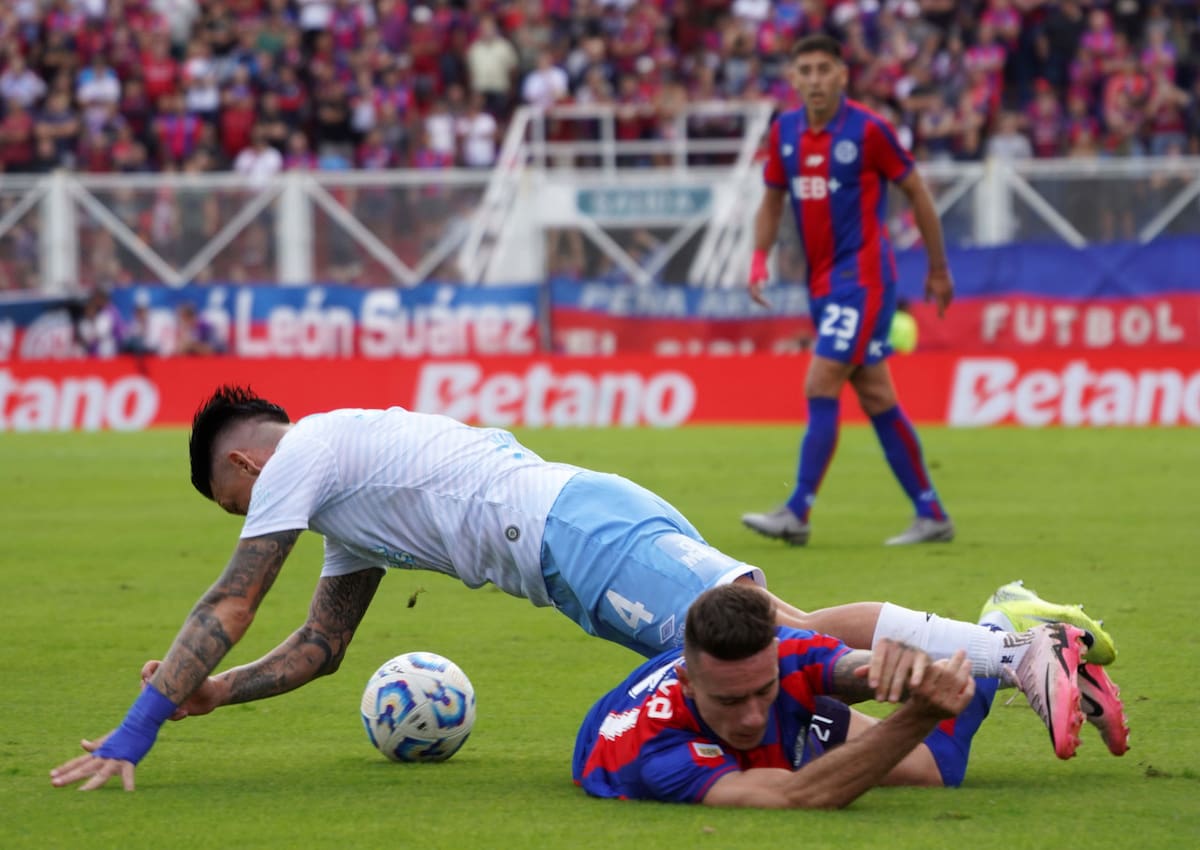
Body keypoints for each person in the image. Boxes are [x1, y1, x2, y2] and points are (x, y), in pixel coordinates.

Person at [50, 387, 1118, 791]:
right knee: (776, 632)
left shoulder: (300, 458)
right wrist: (212, 695)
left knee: (760, 644)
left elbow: (229, 600)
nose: (252, 523)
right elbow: (317, 647)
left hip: (568, 531)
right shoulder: (343, 496)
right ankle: (995, 643)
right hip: (572, 532)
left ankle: (1001, 649)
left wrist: (136, 728)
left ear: (241, 469)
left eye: (236, 509)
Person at [574, 583, 1128, 808]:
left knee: (846, 658)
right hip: (680, 745)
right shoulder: (657, 754)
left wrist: (906, 671)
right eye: (730, 701)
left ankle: (1011, 647)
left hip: (742, 683)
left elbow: (849, 668)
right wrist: (919, 714)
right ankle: (1003, 623)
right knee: (937, 766)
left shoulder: (774, 660)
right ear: (691, 684)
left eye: (763, 691)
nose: (750, 717)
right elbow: (796, 797)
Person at [741, 34, 955, 547]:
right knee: (877, 394)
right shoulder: (785, 131)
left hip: (863, 280)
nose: (814, 79)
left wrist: (938, 268)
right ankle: (931, 513)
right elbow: (771, 201)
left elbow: (917, 192)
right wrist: (757, 258)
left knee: (820, 383)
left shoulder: (868, 130)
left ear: (842, 74)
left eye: (823, 69)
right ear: (793, 79)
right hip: (820, 283)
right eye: (805, 70)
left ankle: (797, 510)